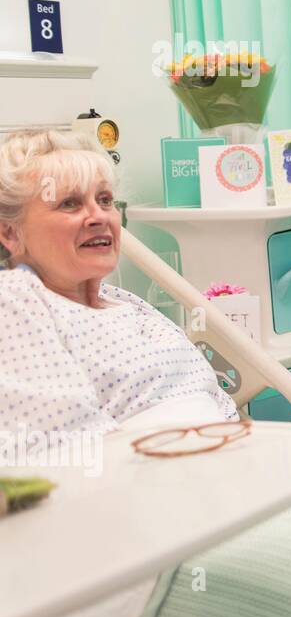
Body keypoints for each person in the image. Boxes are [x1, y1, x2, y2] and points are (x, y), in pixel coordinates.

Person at [0, 128, 238, 433]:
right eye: (69, 203)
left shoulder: (123, 301)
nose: (98, 216)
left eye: (105, 200)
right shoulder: (17, 302)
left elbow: (212, 395)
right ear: (10, 233)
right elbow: (67, 440)